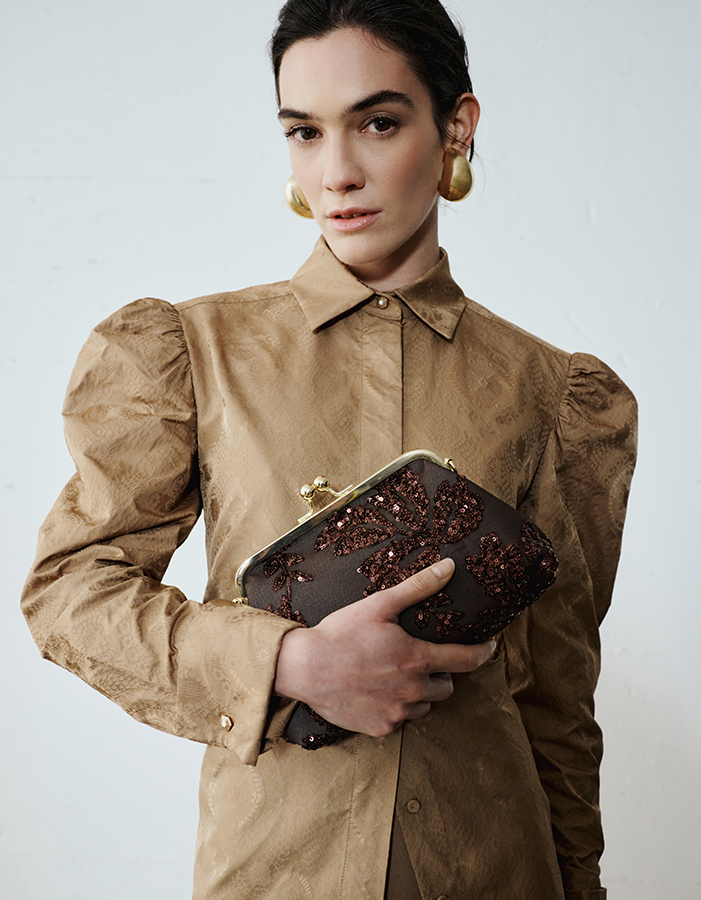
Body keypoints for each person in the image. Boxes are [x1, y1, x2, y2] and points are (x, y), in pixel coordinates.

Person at [20, 1, 636, 897]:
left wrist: (581, 881)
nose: (336, 172)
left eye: (377, 123)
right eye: (305, 132)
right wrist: (285, 663)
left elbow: (559, 692)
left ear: (455, 127)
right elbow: (72, 589)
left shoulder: (551, 393)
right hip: (276, 870)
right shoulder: (193, 352)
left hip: (499, 868)